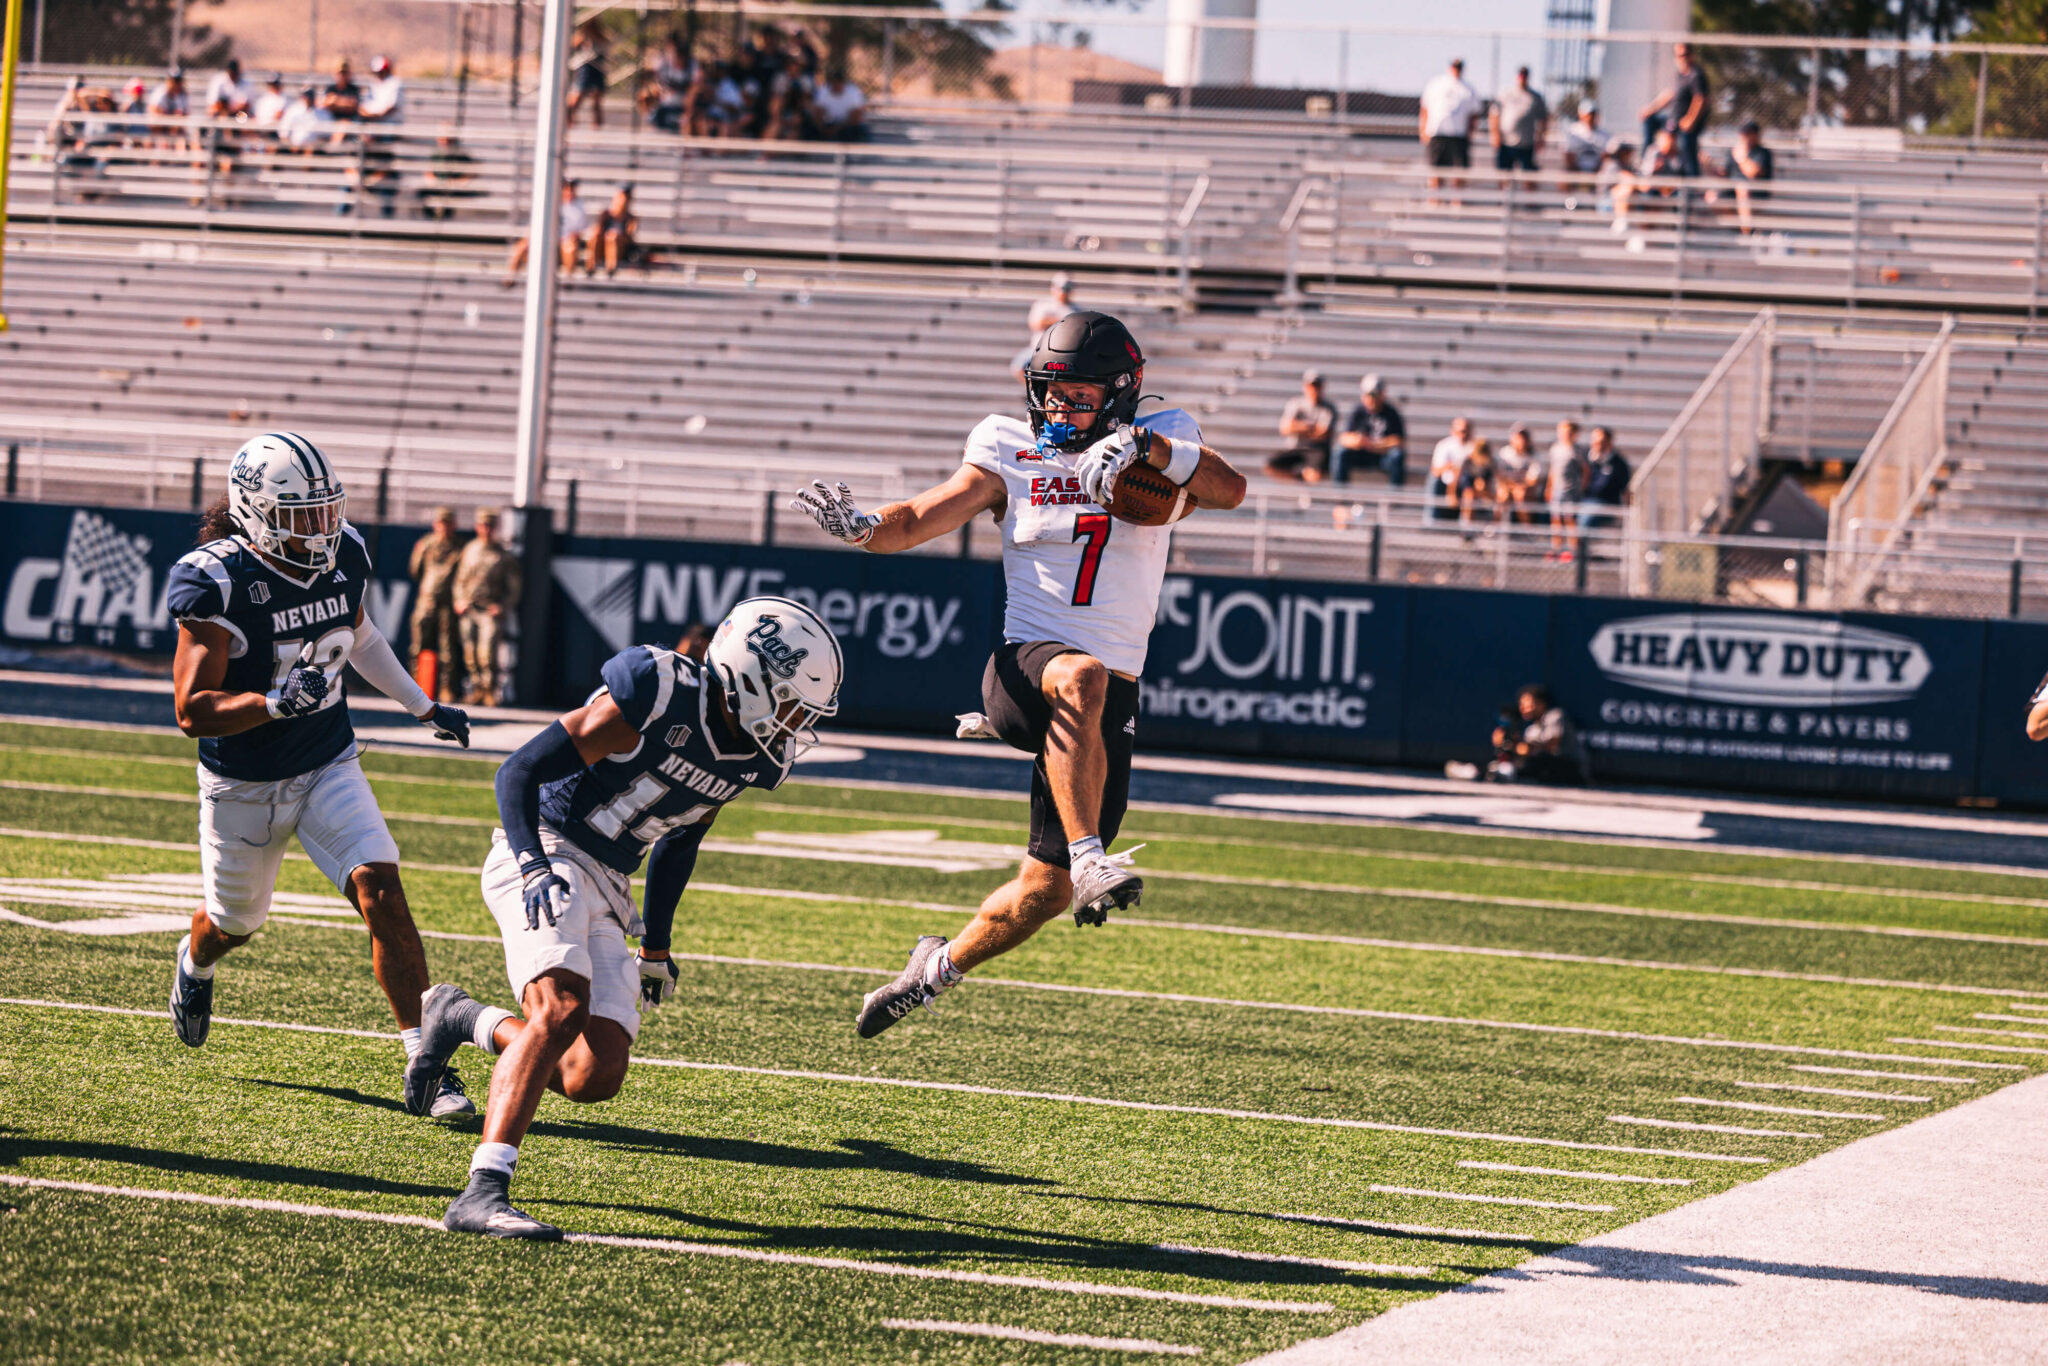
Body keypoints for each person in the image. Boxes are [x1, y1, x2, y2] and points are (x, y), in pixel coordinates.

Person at [791, 311, 1247, 1037]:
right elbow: (917, 516)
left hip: (1106, 694)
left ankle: (931, 971)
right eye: (1052, 392)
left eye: (1079, 396)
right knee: (1081, 679)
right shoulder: (1006, 444)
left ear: (1123, 393)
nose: (1059, 408)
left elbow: (1230, 489)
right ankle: (1095, 858)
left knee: (1043, 889)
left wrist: (1148, 450)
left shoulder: (1161, 434)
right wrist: (864, 527)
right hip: (1027, 669)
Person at [405, 599, 845, 1239]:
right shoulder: (656, 693)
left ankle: (461, 1017)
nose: (796, 723)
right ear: (750, 676)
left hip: (612, 879)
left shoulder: (755, 758)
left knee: (592, 1073)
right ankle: (483, 1189)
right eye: (791, 704)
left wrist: (657, 948)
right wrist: (531, 864)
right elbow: (518, 772)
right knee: (559, 1010)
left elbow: (680, 841)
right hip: (548, 847)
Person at [165, 433, 473, 1117]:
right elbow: (192, 710)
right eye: (302, 516)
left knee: (383, 893)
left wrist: (423, 707)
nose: (320, 528)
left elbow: (358, 635)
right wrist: (272, 702)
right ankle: (197, 961)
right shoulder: (215, 580)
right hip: (242, 783)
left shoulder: (347, 554)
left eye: (326, 511)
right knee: (233, 922)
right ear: (255, 511)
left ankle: (426, 1063)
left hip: (328, 760)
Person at [1447, 685, 1589, 785]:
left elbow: (1552, 745)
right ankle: (1478, 770)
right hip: (1543, 770)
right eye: (1521, 704)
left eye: (1528, 704)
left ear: (1541, 704)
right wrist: (1507, 744)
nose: (1524, 708)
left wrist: (1521, 746)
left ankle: (1497, 772)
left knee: (1539, 759)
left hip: (1570, 769)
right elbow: (1524, 751)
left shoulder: (1555, 716)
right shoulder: (1531, 730)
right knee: (1512, 757)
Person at [454, 508, 523, 707]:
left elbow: (514, 588)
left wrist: (503, 606)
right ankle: (475, 689)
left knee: (487, 653)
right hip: (469, 608)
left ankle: (489, 689)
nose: (487, 530)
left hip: (489, 610)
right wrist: (459, 600)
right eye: (483, 526)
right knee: (470, 652)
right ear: (477, 527)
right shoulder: (470, 550)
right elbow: (460, 580)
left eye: (490, 526)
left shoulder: (503, 556)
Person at [408, 507, 464, 702]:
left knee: (447, 648)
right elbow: (415, 571)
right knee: (418, 645)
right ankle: (415, 685)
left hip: (448, 602)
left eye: (448, 523)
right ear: (435, 525)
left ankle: (446, 688)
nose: (445, 527)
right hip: (427, 601)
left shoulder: (459, 548)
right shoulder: (425, 545)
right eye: (441, 523)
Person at [1641, 41, 1709, 177]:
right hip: (1673, 119)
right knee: (1650, 120)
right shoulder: (1680, 75)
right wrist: (1651, 108)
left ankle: (1691, 183)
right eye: (1679, 55)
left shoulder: (1696, 74)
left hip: (1686, 123)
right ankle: (1645, 163)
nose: (1682, 58)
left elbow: (1701, 99)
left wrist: (1690, 119)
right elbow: (1671, 94)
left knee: (1687, 148)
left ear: (1692, 55)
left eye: (1685, 55)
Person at [504, 179, 590, 283]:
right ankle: (510, 277)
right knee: (520, 247)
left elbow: (580, 230)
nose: (569, 191)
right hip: (546, 240)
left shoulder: (579, 206)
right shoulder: (551, 202)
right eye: (567, 188)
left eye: (571, 188)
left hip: (565, 241)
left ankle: (568, 280)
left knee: (570, 248)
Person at [1418, 57, 1482, 196]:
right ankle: (1434, 198)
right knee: (1436, 169)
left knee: (1459, 171)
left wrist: (1470, 133)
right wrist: (1423, 130)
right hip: (1438, 133)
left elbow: (1474, 114)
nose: (1456, 70)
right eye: (1454, 66)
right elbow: (1425, 109)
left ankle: (1457, 200)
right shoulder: (1436, 84)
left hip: (1458, 135)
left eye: (1459, 67)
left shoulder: (1468, 89)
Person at [1610, 127, 1687, 235]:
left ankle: (1644, 235)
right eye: (1624, 152)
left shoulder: (1680, 155)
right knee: (1639, 193)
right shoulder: (1613, 166)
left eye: (1672, 137)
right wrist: (1654, 170)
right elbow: (1643, 179)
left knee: (1655, 200)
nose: (1627, 154)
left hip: (1663, 193)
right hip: (1648, 192)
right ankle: (1629, 226)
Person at [1266, 370, 1336, 483]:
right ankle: (1299, 477)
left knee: (1315, 474)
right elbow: (1285, 428)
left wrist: (1298, 427)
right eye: (1311, 386)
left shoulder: (1328, 408)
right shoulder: (1296, 404)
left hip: (1316, 450)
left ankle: (1306, 490)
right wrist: (1311, 428)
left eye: (1316, 386)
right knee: (1271, 466)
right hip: (1296, 448)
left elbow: (1323, 433)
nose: (1313, 390)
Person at [1339, 374, 1407, 486]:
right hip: (1361, 455)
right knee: (1341, 452)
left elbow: (1399, 440)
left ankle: (1394, 499)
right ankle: (1340, 497)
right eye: (1369, 395)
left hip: (1382, 456)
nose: (1372, 399)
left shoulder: (1391, 413)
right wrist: (1358, 441)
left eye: (1375, 395)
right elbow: (1344, 438)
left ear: (1382, 395)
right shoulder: (1358, 412)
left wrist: (1375, 445)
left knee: (1397, 456)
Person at [1711, 119, 1774, 236]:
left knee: (1742, 189)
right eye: (1743, 133)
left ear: (1755, 135)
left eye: (1748, 133)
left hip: (1756, 192)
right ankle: (1740, 227)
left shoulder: (1763, 152)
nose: (1744, 137)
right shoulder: (1733, 151)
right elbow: (1724, 173)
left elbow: (1753, 173)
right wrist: (1709, 166)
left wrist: (1741, 157)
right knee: (1711, 196)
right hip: (1732, 189)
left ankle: (1747, 232)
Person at [1011, 273, 1076, 381]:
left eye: (1067, 288)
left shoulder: (1074, 309)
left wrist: (1051, 321)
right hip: (1037, 349)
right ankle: (1032, 391)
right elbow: (1036, 324)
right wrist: (1061, 322)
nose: (1063, 292)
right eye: (1061, 288)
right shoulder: (1043, 304)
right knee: (1018, 367)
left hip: (1062, 353)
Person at [1490, 66, 1548, 174]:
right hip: (1506, 142)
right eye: (1521, 75)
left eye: (1525, 75)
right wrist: (1495, 134)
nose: (1523, 77)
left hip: (1526, 143)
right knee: (1503, 174)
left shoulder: (1535, 97)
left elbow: (1543, 119)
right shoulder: (1505, 94)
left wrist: (1541, 137)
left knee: (1529, 176)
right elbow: (1494, 114)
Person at [1577, 426, 1630, 535]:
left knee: (1586, 519)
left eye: (1601, 442)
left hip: (1606, 504)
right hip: (1582, 500)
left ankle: (1580, 551)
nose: (1597, 445)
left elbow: (1624, 489)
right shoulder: (1584, 458)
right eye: (1594, 441)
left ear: (1609, 442)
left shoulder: (1618, 463)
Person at [1547, 419, 1587, 562]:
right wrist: (1549, 487)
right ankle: (1556, 548)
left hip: (1571, 491)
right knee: (1556, 520)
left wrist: (1582, 487)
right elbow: (1553, 471)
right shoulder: (1555, 449)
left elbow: (1585, 471)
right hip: (1557, 490)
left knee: (1570, 520)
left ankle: (1572, 549)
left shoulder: (1577, 451)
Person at [584, 184, 639, 277]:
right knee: (594, 235)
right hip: (603, 248)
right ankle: (590, 267)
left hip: (620, 250)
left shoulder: (631, 219)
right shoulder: (606, 214)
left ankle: (611, 269)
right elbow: (598, 229)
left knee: (612, 237)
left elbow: (629, 238)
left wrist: (616, 236)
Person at [1426, 415, 1474, 521]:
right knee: (1434, 481)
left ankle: (1466, 525)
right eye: (1460, 431)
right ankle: (1431, 519)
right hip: (1445, 482)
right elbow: (1436, 471)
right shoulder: (1444, 445)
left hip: (1465, 484)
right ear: (1452, 431)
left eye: (1465, 431)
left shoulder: (1474, 447)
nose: (1462, 435)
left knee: (1469, 488)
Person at [1493, 423, 1542, 524]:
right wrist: (1513, 486)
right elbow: (1499, 475)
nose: (1521, 441)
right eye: (1518, 438)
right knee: (1503, 494)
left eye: (1523, 438)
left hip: (1526, 490)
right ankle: (1496, 525)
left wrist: (1517, 486)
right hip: (1509, 487)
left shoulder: (1534, 456)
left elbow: (1532, 481)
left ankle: (1526, 527)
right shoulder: (1504, 453)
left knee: (1520, 495)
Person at [568, 21, 610, 128]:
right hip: (585, 68)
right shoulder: (581, 38)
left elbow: (606, 46)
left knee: (597, 99)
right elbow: (572, 45)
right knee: (579, 95)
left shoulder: (601, 38)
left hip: (597, 69)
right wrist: (583, 40)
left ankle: (597, 122)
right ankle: (569, 117)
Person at [811, 68, 868, 142]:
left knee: (861, 130)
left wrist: (837, 129)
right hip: (828, 124)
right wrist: (822, 128)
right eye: (834, 82)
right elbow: (817, 113)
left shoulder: (853, 92)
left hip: (846, 125)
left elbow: (856, 117)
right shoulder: (823, 91)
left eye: (840, 82)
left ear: (844, 83)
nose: (837, 84)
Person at [1562, 103, 1616, 178]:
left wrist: (1598, 170)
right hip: (1577, 170)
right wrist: (1577, 172)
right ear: (1581, 114)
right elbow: (1569, 155)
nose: (1590, 117)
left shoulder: (1605, 134)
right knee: (1564, 177)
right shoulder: (1573, 131)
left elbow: (1606, 157)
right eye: (1588, 114)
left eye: (1593, 114)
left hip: (1597, 170)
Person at [1456, 438, 1500, 528]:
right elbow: (1463, 483)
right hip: (1470, 493)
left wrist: (1485, 489)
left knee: (1501, 499)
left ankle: (1495, 528)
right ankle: (1467, 527)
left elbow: (1497, 482)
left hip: (1488, 494)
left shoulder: (1492, 464)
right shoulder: (1467, 463)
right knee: (1469, 495)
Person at [361, 56, 405, 123]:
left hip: (390, 124)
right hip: (373, 123)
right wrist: (367, 115)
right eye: (377, 73)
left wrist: (377, 116)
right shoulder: (373, 84)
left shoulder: (395, 83)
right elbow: (365, 105)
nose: (379, 75)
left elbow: (392, 107)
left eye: (381, 72)